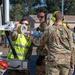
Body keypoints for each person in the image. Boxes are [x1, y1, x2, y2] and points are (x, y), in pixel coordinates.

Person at [35, 7, 48, 75]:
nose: (39, 18)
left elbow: (39, 42)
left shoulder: (46, 27)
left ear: (46, 17)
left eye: (41, 17)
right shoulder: (40, 26)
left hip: (44, 57)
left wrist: (32, 38)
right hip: (41, 55)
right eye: (38, 16)